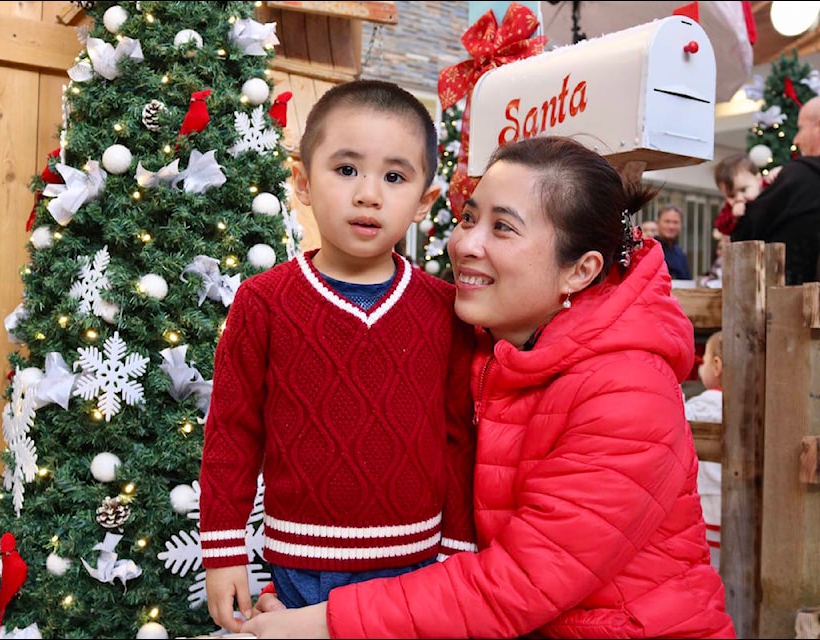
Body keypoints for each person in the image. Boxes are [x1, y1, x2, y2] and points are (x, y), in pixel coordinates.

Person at [241, 135, 735, 639]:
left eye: (503, 228)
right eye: (469, 219)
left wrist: (322, 622)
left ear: (580, 270)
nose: (465, 245)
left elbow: (521, 582)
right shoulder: (484, 343)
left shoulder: (627, 392)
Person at [198, 80, 477, 633]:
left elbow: (458, 438)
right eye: (346, 170)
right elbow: (232, 430)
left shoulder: (447, 310)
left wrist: (458, 546)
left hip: (416, 565)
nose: (369, 194)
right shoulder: (264, 302)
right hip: (303, 564)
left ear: (424, 201)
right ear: (302, 182)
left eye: (394, 177)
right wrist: (224, 548)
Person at [732, 95, 820, 285]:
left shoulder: (800, 176)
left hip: (793, 304)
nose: (796, 140)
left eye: (801, 128)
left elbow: (745, 233)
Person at [684, 331, 725, 571]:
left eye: (705, 361)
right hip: (731, 501)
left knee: (710, 563)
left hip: (707, 502)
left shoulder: (704, 404)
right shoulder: (753, 406)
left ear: (716, 366)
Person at [712, 152, 765, 236]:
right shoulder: (729, 209)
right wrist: (733, 216)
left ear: (758, 180)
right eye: (731, 196)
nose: (739, 198)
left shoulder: (768, 190)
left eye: (743, 190)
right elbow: (720, 226)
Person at [656, 204, 692, 280]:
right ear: (658, 223)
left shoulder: (681, 254)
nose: (671, 226)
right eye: (667, 221)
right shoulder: (649, 250)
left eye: (675, 222)